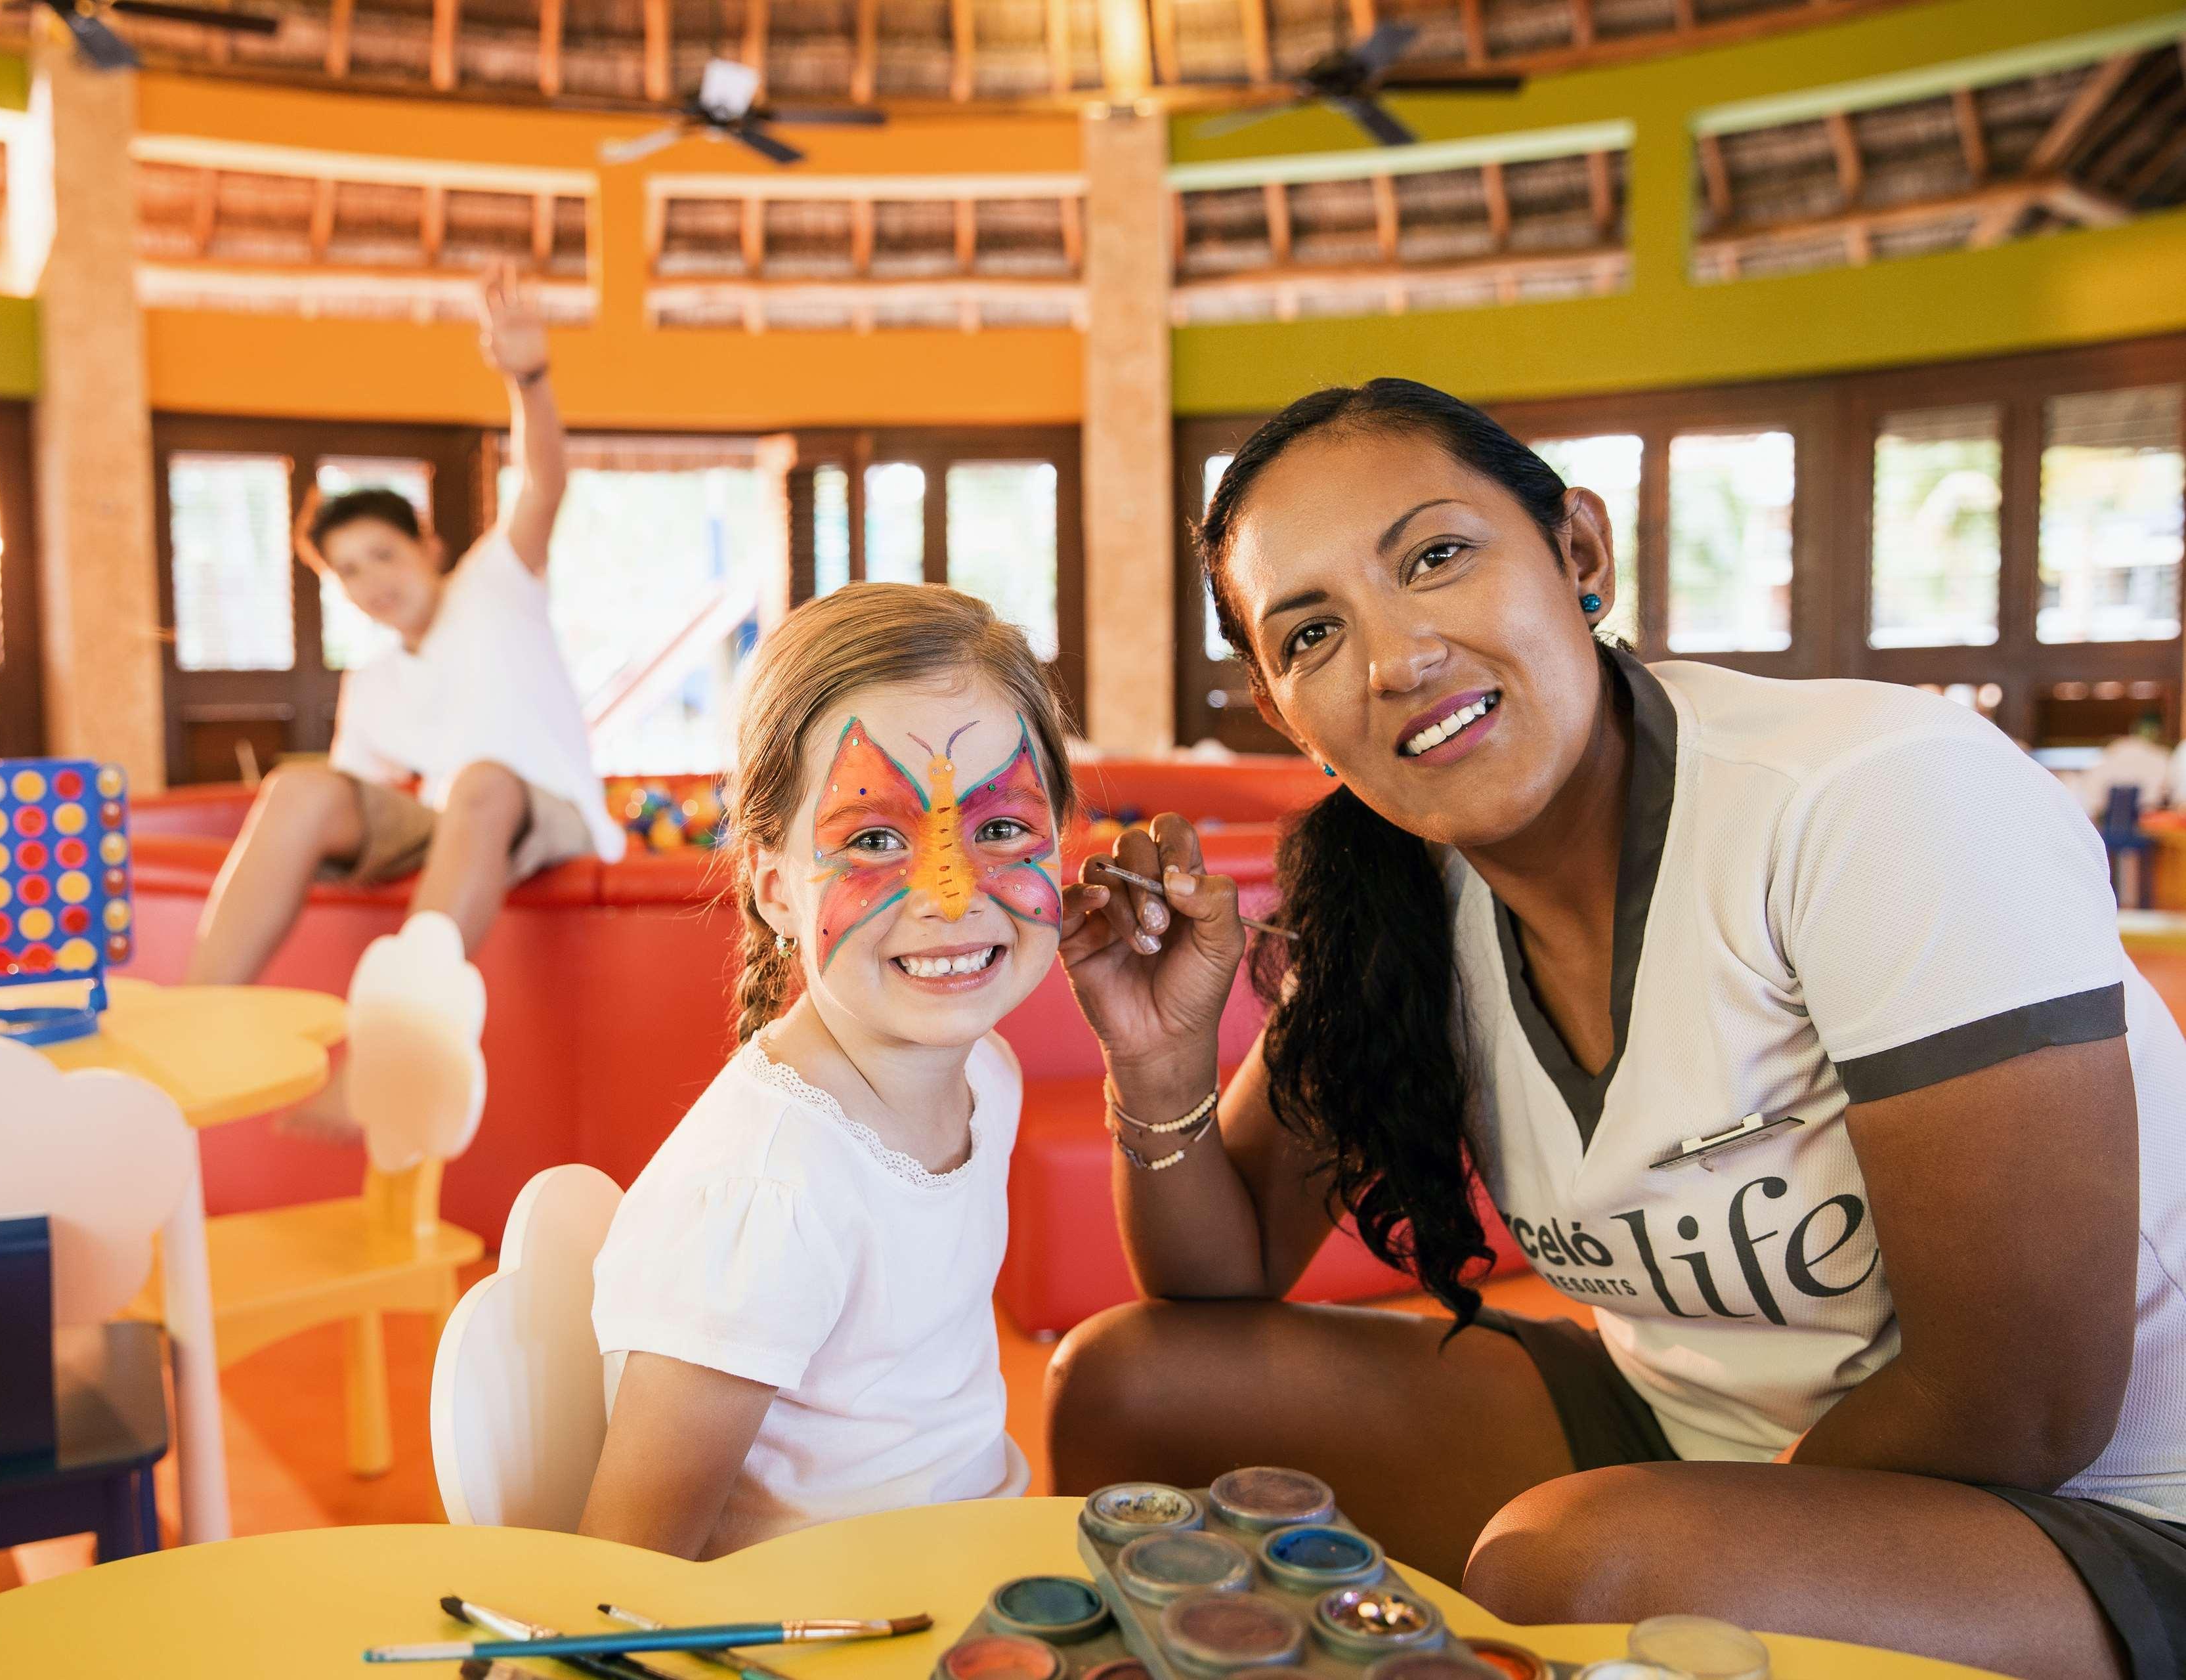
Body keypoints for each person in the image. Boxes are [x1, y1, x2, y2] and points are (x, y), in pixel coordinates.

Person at [1048, 380, 2186, 1680]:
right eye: (1310, 633)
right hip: (1681, 1438)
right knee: (1127, 1386)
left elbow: (2023, 1402)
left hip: (2100, 1509)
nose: (1393, 658)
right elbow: (1219, 1275)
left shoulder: (1876, 796)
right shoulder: (1399, 902)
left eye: (1433, 557)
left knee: (1571, 1565)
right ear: (1281, 712)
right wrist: (1156, 1053)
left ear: (1575, 553)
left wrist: (1709, 1532)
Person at [581, 584, 1072, 1559]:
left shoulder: (988, 1074)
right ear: (773, 886)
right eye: (874, 839)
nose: (952, 892)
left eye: (1003, 828)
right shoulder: (767, 1194)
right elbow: (627, 1570)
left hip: (974, 1569)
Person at [184, 262, 625, 1004]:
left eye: (383, 555)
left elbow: (544, 485)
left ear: (428, 545)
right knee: (300, 790)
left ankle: (399, 1033)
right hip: (458, 829)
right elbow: (356, 806)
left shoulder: (495, 583)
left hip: (548, 819)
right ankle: (192, 1013)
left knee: (482, 783)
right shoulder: (373, 683)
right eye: (349, 571)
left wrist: (530, 378)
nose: (372, 582)